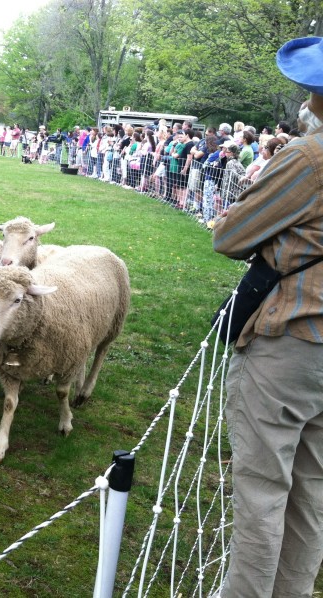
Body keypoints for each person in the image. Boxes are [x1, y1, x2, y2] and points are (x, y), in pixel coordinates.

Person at [212, 35, 323, 598]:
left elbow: (231, 235)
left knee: (262, 490)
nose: (306, 98)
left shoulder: (308, 157)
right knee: (312, 493)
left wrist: (270, 234)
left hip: (294, 337)